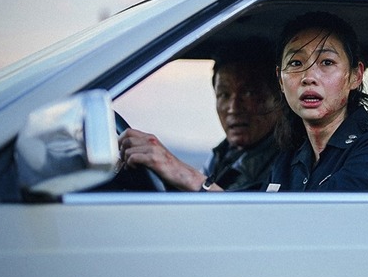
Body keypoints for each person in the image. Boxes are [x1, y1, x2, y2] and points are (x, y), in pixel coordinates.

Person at [266, 12, 368, 191]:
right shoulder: (287, 159)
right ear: (280, 80)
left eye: (327, 62)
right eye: (296, 63)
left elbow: (330, 209)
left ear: (355, 76)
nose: (309, 77)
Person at [118, 43, 280, 191]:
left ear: (278, 98)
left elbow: (249, 214)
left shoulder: (285, 166)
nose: (233, 108)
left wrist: (180, 171)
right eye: (224, 95)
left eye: (249, 93)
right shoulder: (224, 154)